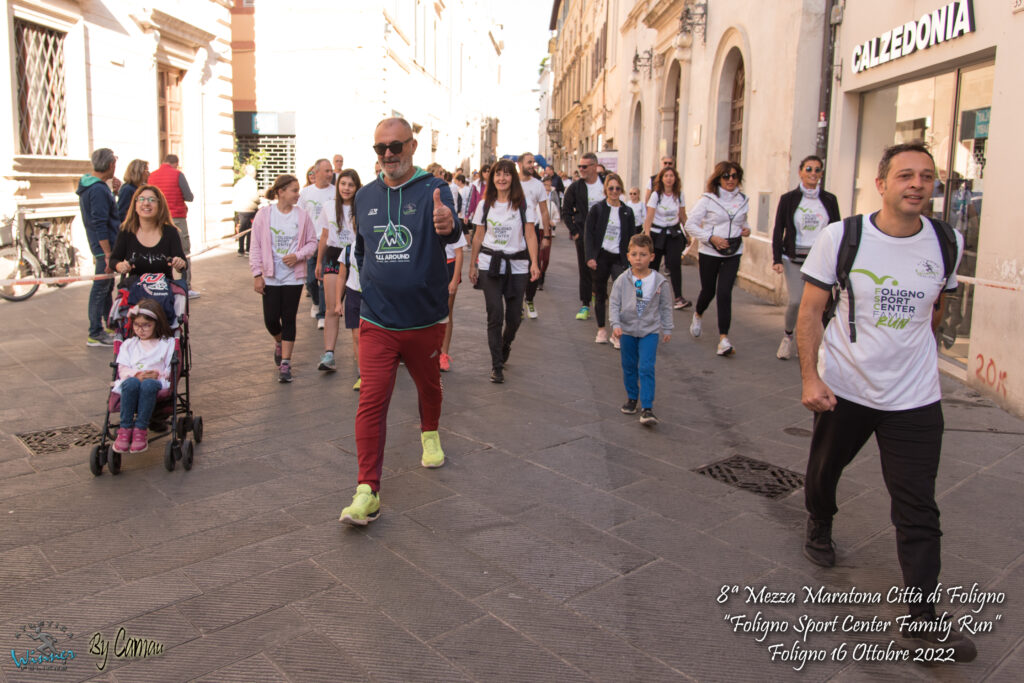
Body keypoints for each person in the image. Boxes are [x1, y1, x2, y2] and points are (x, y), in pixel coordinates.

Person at [796, 142, 976, 662]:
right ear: (882, 184)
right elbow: (811, 312)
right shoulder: (843, 236)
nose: (916, 184)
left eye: (926, 176)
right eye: (905, 176)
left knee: (918, 505)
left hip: (916, 396)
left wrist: (917, 357)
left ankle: (922, 619)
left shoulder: (948, 241)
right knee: (825, 470)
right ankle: (820, 520)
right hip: (847, 388)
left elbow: (936, 308)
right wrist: (811, 378)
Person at [339, 117, 461, 526]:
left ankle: (429, 431)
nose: (388, 155)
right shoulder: (364, 196)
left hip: (424, 320)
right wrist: (369, 287)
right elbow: (361, 250)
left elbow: (450, 228)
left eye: (396, 147)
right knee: (371, 402)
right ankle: (366, 490)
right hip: (377, 321)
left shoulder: (434, 190)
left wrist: (448, 225)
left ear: (412, 146)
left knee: (429, 386)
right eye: (380, 149)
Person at [468, 158, 541, 383]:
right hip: (490, 265)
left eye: (506, 174)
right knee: (494, 315)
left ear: (513, 177)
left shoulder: (524, 203)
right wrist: (472, 264)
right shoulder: (484, 204)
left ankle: (505, 343)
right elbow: (478, 235)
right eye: (498, 174)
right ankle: (496, 365)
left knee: (514, 318)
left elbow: (530, 234)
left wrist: (535, 263)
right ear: (492, 178)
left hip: (517, 266)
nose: (502, 178)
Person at [249, 174, 318, 383]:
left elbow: (312, 242)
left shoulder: (303, 216)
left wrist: (297, 256)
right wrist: (257, 274)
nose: (298, 194)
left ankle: (286, 363)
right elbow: (255, 246)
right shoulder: (264, 215)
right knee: (271, 319)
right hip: (270, 276)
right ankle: (279, 341)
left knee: (288, 318)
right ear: (281, 192)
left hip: (293, 277)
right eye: (294, 190)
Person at [771, 155, 841, 360]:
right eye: (809, 169)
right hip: (794, 257)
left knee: (822, 304)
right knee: (796, 301)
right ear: (800, 172)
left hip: (820, 258)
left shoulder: (829, 200)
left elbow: (837, 229)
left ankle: (820, 344)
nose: (813, 174)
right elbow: (779, 229)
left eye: (818, 170)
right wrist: (776, 258)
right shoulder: (788, 199)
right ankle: (788, 337)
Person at [683, 161, 751, 356]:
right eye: (726, 176)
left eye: (734, 176)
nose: (730, 180)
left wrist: (747, 230)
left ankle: (723, 339)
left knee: (724, 292)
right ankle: (698, 314)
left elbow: (743, 221)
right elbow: (690, 224)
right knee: (709, 290)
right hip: (710, 251)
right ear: (718, 178)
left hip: (733, 251)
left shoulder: (743, 199)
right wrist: (711, 237)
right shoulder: (708, 199)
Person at [609, 233, 673, 426]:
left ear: (651, 257)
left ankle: (647, 407)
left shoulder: (659, 281)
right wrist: (616, 324)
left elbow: (665, 306)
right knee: (629, 366)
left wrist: (667, 328)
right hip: (627, 331)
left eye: (643, 254)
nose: (638, 258)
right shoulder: (622, 279)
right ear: (628, 256)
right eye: (634, 254)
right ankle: (632, 397)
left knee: (646, 367)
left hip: (649, 331)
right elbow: (614, 303)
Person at [111, 298, 175, 454]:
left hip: (156, 381)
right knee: (131, 383)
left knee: (148, 385)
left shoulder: (166, 343)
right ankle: (125, 428)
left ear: (156, 324)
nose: (141, 330)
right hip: (133, 380)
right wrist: (137, 375)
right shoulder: (130, 344)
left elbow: (171, 369)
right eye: (137, 325)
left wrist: (158, 374)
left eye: (146, 325)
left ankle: (140, 428)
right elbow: (123, 369)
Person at [314, 169, 361, 373]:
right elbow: (324, 236)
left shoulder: (361, 208)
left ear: (356, 187)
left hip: (356, 258)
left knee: (357, 309)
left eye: (351, 185)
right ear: (338, 185)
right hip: (333, 257)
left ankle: (360, 352)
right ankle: (329, 354)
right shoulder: (328, 207)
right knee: (332, 307)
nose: (346, 188)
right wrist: (318, 263)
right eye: (343, 184)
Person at [585, 173, 637, 346]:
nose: (614, 191)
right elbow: (589, 235)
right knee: (600, 294)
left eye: (617, 188)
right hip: (601, 256)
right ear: (606, 190)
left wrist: (631, 259)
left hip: (619, 258)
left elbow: (631, 237)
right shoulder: (598, 209)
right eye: (611, 188)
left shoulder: (627, 211)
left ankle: (617, 332)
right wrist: (590, 257)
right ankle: (601, 329)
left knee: (621, 295)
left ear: (621, 189)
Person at [78, 148, 121, 347]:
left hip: (103, 246)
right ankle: (95, 332)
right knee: (101, 287)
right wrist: (107, 253)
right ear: (110, 165)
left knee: (106, 286)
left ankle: (109, 324)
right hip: (103, 247)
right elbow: (99, 222)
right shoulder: (97, 190)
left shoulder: (95, 187)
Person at [109, 185, 187, 280]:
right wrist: (119, 266)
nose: (146, 203)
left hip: (164, 291)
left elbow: (183, 264)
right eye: (141, 199)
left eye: (152, 200)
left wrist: (179, 263)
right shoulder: (126, 231)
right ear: (135, 205)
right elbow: (113, 260)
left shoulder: (170, 232)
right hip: (135, 290)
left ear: (160, 205)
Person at [562, 152, 604, 320]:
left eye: (584, 167)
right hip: (584, 235)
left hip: (605, 235)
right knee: (585, 269)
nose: (581, 169)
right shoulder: (575, 187)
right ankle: (585, 304)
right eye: (579, 166)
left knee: (602, 269)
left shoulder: (606, 183)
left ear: (594, 167)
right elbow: (566, 211)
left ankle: (600, 298)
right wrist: (575, 232)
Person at [147, 154, 197, 297]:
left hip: (157, 219)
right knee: (184, 251)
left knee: (159, 251)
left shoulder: (152, 176)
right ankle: (185, 287)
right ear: (175, 163)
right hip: (176, 217)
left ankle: (160, 284)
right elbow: (189, 196)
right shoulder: (177, 175)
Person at [644, 166, 691, 310]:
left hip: (674, 234)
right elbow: (649, 217)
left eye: (671, 176)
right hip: (657, 234)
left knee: (675, 264)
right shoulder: (656, 195)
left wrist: (688, 233)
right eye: (666, 176)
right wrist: (647, 236)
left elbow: (682, 215)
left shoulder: (679, 195)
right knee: (653, 266)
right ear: (662, 179)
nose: (669, 178)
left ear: (675, 179)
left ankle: (678, 297)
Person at [299, 159, 335, 330]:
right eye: (327, 171)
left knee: (323, 279)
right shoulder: (306, 193)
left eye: (331, 171)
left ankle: (322, 314)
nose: (330, 174)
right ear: (316, 172)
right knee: (311, 280)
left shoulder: (335, 192)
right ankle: (315, 302)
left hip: (328, 242)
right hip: (310, 243)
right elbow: (299, 216)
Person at [518, 153, 553, 319]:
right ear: (520, 164)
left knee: (534, 264)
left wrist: (546, 235)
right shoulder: (512, 183)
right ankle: (517, 304)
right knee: (516, 268)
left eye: (533, 162)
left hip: (532, 231)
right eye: (529, 162)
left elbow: (544, 211)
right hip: (514, 232)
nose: (533, 165)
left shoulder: (538, 185)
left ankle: (529, 300)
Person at [439, 227, 467, 372]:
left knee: (447, 313)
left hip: (449, 267)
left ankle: (444, 354)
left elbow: (459, 253)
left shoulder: (453, 224)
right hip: (432, 267)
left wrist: (455, 279)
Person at [336, 241, 362, 391]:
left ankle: (375, 373)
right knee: (357, 337)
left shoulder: (374, 242)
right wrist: (338, 301)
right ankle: (362, 375)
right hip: (353, 294)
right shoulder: (348, 250)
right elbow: (341, 276)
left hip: (373, 294)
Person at [233, 164, 260, 256]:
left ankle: (241, 249)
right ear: (252, 172)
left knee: (242, 229)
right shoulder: (252, 182)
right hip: (250, 209)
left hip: (241, 208)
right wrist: (259, 200)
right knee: (250, 229)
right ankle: (248, 249)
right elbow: (254, 196)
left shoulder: (240, 182)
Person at [116, 159, 149, 224]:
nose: (148, 174)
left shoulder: (142, 187)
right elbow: (122, 212)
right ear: (138, 172)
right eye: (146, 171)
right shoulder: (127, 189)